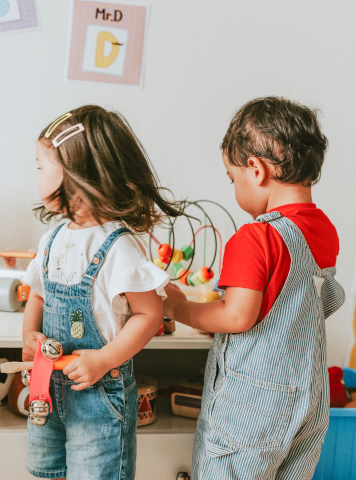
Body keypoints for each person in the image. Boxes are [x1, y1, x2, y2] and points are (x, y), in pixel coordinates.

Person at [164, 97, 345, 479]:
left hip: (255, 407)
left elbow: (236, 316)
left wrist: (179, 309)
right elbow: (297, 306)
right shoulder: (325, 231)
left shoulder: (256, 237)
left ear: (256, 169)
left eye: (232, 179)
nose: (234, 189)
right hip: (310, 404)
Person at [21, 105, 182, 480]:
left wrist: (104, 359)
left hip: (99, 398)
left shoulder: (119, 246)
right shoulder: (53, 238)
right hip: (48, 389)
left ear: (75, 174)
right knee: (48, 471)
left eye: (42, 166)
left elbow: (149, 315)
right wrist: (28, 334)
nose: (38, 176)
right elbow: (38, 295)